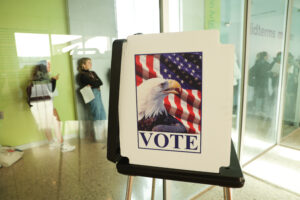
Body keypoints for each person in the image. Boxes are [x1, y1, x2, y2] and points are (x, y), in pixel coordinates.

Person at [27, 60, 75, 152]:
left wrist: (53, 80)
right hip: (45, 105)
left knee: (46, 125)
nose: (50, 67)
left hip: (36, 107)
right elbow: (51, 90)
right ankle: (62, 145)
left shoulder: (35, 79)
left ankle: (52, 143)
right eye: (48, 66)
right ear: (43, 68)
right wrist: (53, 80)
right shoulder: (43, 79)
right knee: (57, 123)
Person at [77, 57, 106, 142]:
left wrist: (93, 84)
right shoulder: (82, 75)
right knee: (96, 112)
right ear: (83, 65)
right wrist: (94, 84)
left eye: (91, 62)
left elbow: (100, 82)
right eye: (88, 62)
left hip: (97, 93)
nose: (91, 64)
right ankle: (98, 136)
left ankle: (102, 134)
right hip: (90, 93)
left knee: (101, 112)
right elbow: (95, 83)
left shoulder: (92, 72)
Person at [250, 51, 275, 117]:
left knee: (258, 96)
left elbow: (252, 72)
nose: (268, 57)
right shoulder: (263, 64)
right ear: (264, 57)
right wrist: (270, 74)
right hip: (262, 83)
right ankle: (259, 111)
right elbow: (264, 73)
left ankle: (258, 111)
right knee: (261, 97)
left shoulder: (258, 63)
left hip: (259, 83)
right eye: (267, 56)